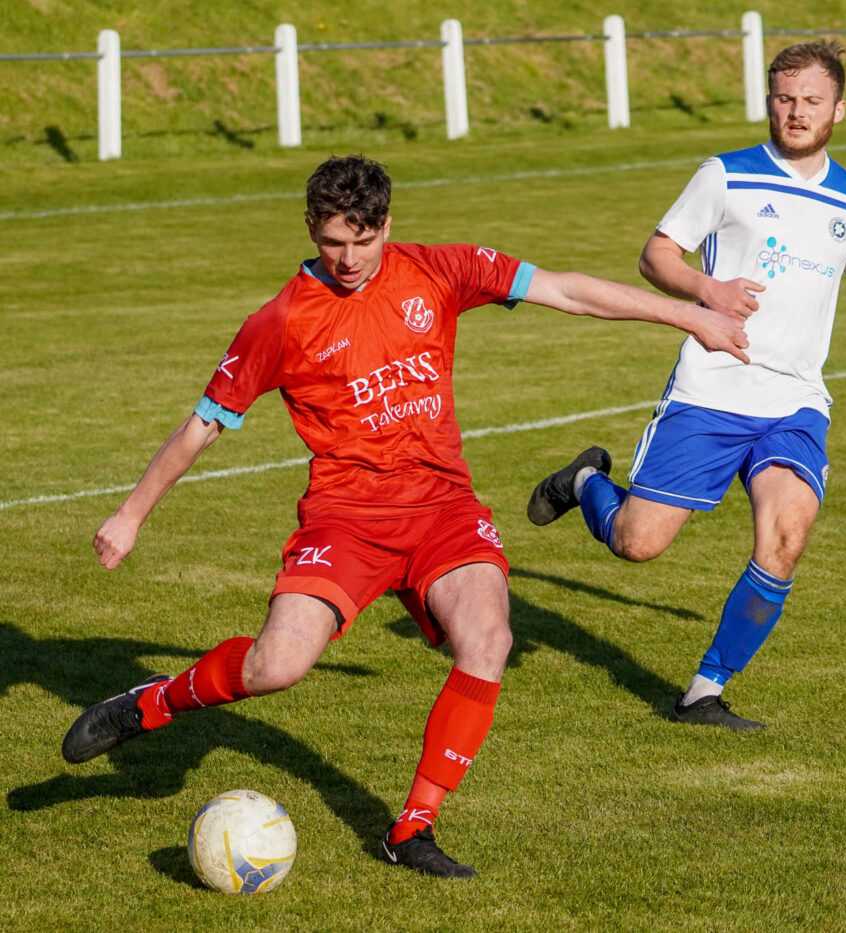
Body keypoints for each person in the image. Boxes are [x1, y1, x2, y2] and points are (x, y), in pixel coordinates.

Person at [62, 154, 750, 879]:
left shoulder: (437, 270)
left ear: (388, 224)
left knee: (488, 640)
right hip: (345, 519)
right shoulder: (281, 320)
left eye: (364, 239)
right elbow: (204, 423)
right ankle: (154, 702)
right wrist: (131, 513)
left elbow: (565, 290)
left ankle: (411, 828)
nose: (350, 258)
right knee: (276, 666)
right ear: (311, 230)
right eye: (333, 242)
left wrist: (687, 313)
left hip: (443, 509)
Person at [527, 41, 846, 731]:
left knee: (786, 536)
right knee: (637, 543)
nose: (795, 112)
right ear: (769, 101)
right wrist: (706, 287)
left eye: (811, 101)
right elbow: (655, 255)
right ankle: (584, 483)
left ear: (839, 109)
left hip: (794, 402)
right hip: (710, 391)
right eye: (784, 98)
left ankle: (704, 689)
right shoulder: (725, 177)